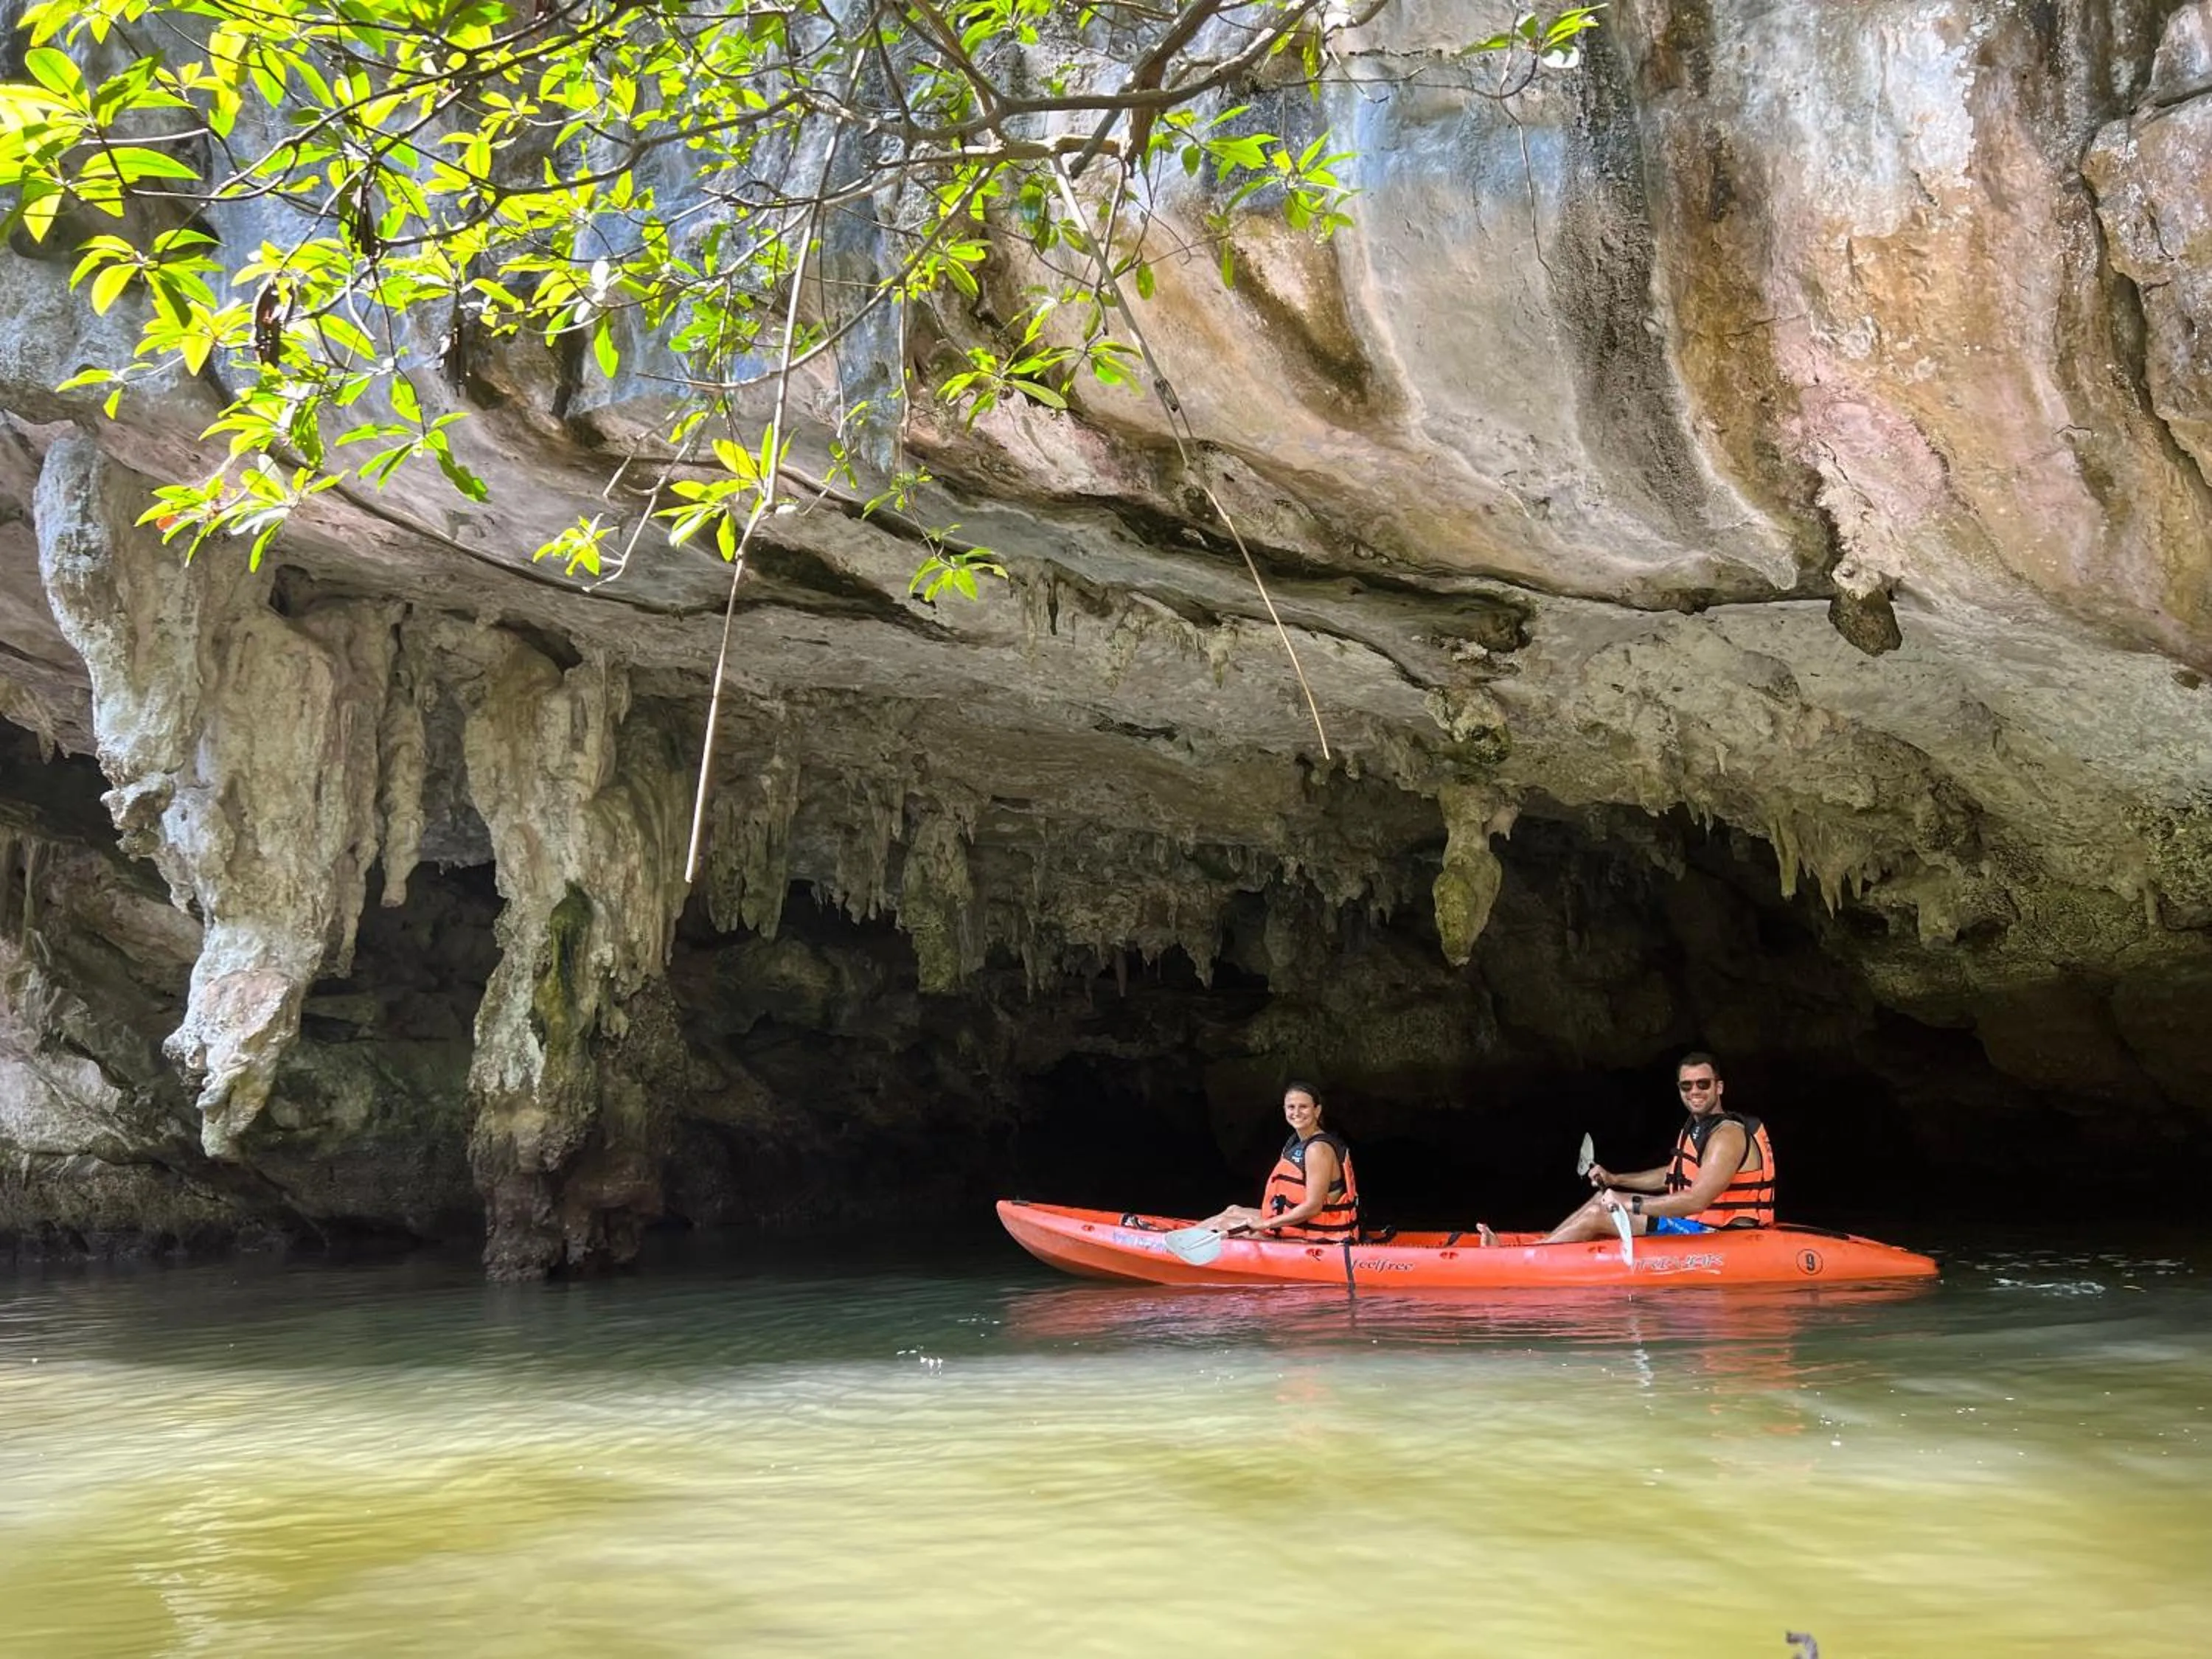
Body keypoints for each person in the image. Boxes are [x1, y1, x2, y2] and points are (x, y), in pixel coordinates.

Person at [1543, 1051, 1775, 1244]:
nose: (1694, 1091)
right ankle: (1541, 1248)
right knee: (1598, 1200)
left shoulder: (1727, 1136)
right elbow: (1673, 1175)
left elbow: (1696, 1201)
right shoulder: (1698, 1129)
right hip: (1697, 1224)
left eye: (1703, 1084)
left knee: (1598, 1215)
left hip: (1724, 1235)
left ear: (1719, 1087)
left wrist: (1631, 1203)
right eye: (1687, 1086)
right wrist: (1615, 1179)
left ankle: (1530, 1261)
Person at [1194, 1081, 1360, 1241]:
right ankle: (1176, 1241)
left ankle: (1176, 1250)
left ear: (1317, 1111)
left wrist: (1266, 1224)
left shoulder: (1317, 1149)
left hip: (1316, 1232)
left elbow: (1313, 1207)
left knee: (1223, 1224)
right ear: (1284, 1110)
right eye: (1291, 1107)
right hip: (1300, 1222)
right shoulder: (1298, 1142)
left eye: (1303, 1107)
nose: (1296, 1112)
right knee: (1232, 1210)